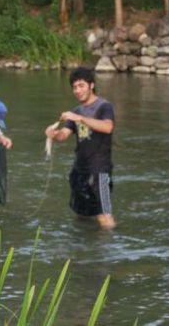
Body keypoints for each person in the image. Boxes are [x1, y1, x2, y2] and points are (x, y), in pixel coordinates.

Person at [45, 67, 116, 230]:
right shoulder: (76, 111)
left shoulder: (104, 106)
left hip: (100, 169)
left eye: (81, 85)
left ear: (91, 85)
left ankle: (107, 250)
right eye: (74, 87)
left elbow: (107, 127)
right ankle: (80, 247)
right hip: (79, 169)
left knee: (104, 215)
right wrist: (53, 134)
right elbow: (64, 135)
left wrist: (80, 118)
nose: (77, 90)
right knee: (80, 212)